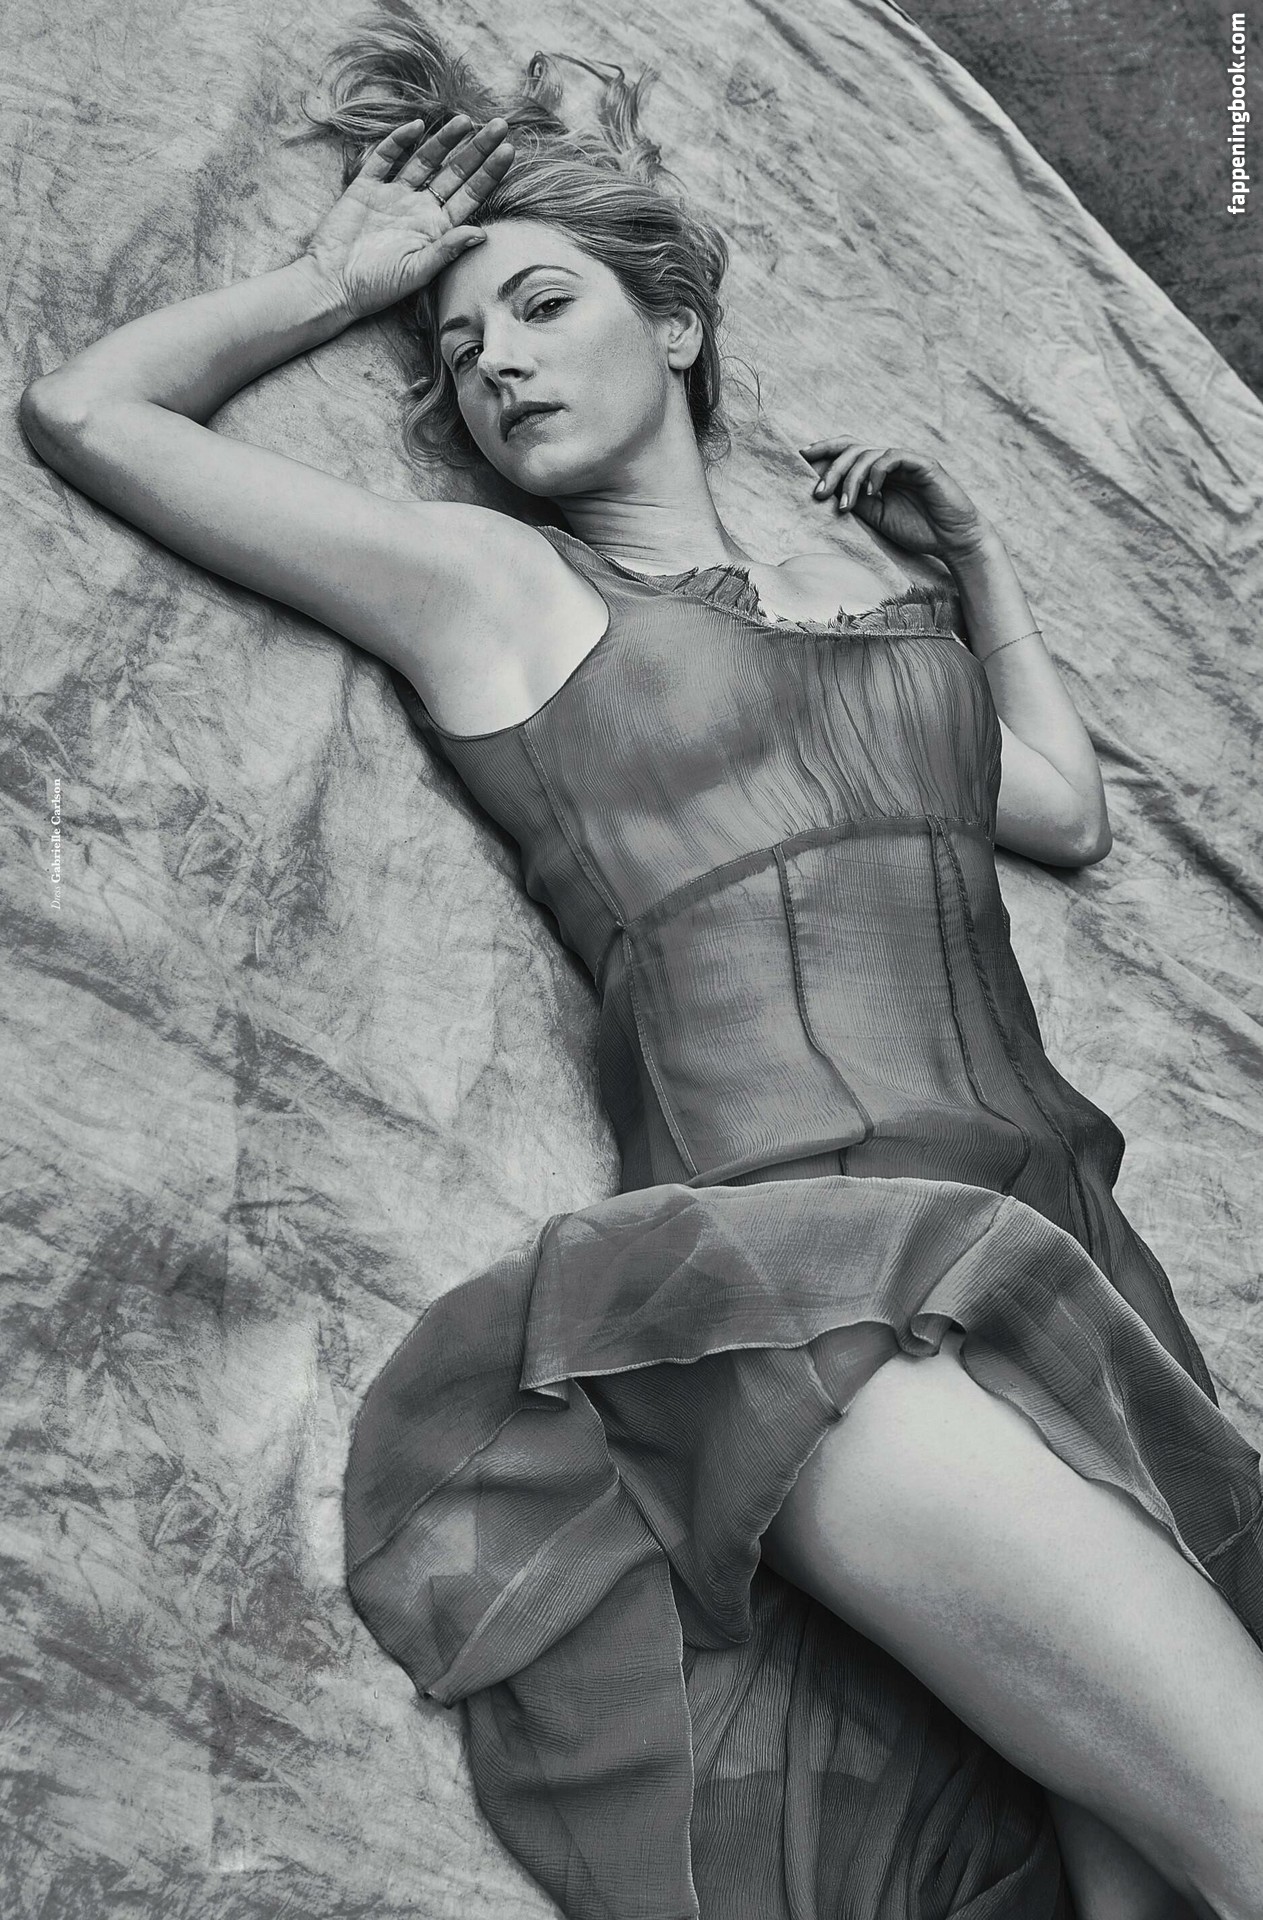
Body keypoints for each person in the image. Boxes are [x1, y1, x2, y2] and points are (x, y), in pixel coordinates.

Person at [19, 12, 1263, 1918]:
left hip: (1073, 1275)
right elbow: (92, 414)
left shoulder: (882, 623)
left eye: (540, 306)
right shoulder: (505, 592)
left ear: (675, 325)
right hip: (807, 1296)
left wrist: (983, 564)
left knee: (1158, 1888)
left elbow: (1062, 812)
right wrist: (336, 279)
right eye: (460, 350)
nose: (496, 363)